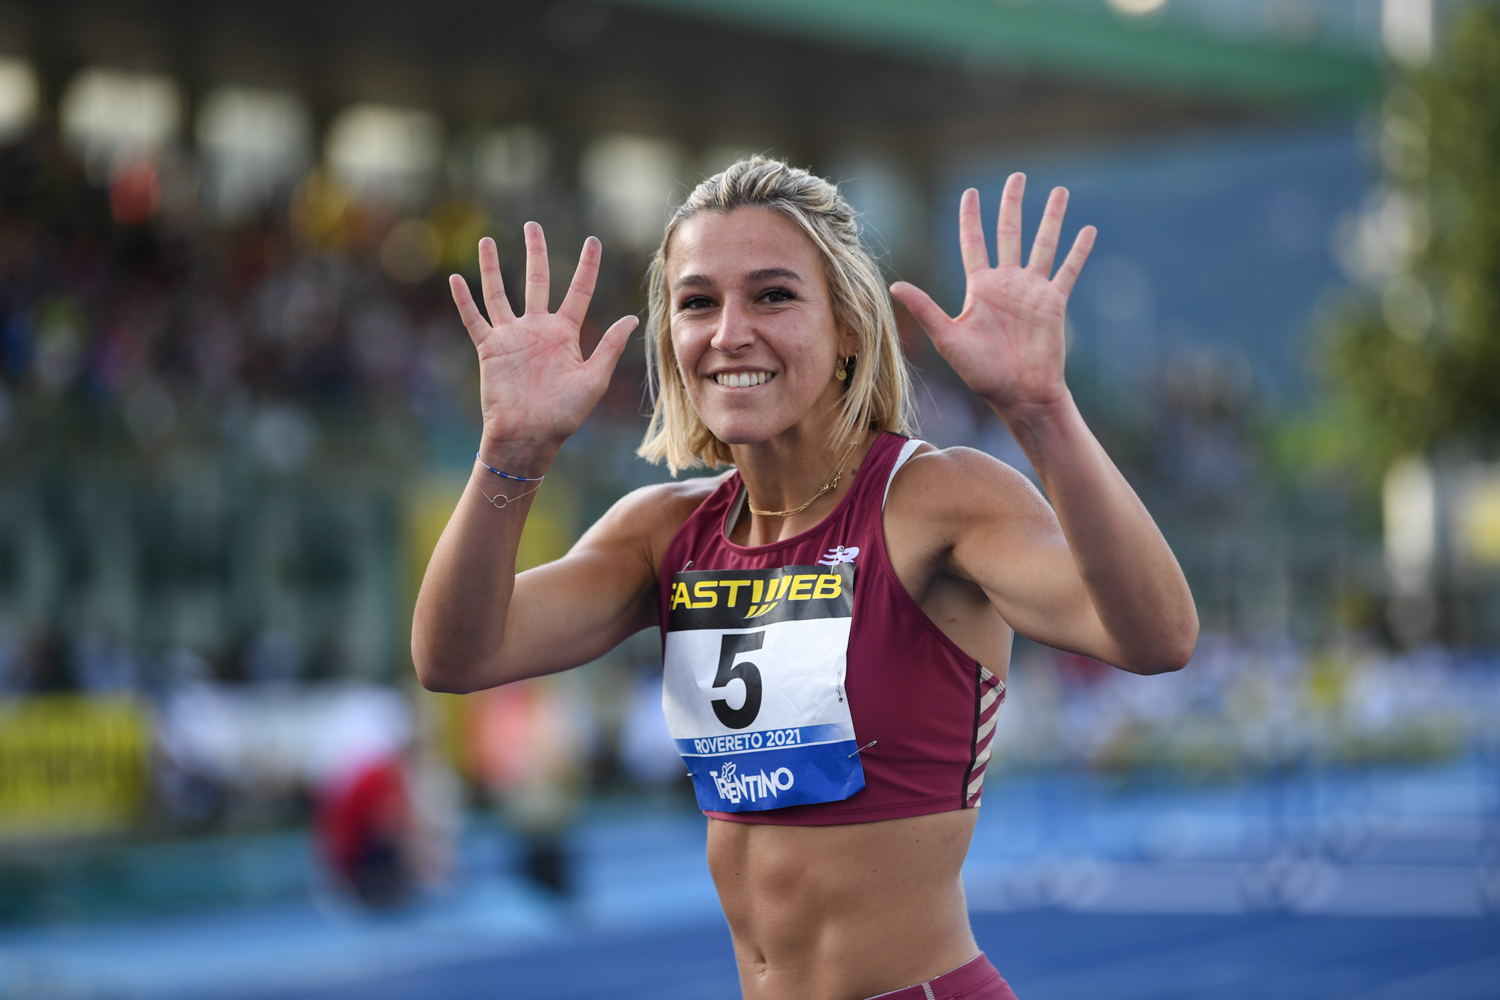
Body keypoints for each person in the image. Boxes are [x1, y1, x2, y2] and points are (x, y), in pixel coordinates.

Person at [413, 157, 1197, 1000]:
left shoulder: (935, 500)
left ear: (848, 329)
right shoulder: (662, 533)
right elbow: (458, 656)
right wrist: (511, 450)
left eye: (773, 296)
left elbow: (1156, 638)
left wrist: (1043, 412)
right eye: (697, 302)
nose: (730, 332)